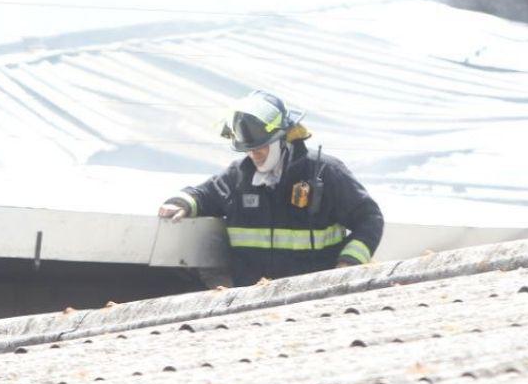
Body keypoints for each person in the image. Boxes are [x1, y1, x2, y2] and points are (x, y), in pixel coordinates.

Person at [158, 90, 384, 287]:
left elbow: (370, 219)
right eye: (249, 149)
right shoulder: (239, 177)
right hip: (253, 303)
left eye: (260, 147)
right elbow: (203, 195)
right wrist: (182, 203)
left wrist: (348, 264)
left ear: (282, 139)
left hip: (314, 298)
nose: (254, 154)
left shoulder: (325, 172)